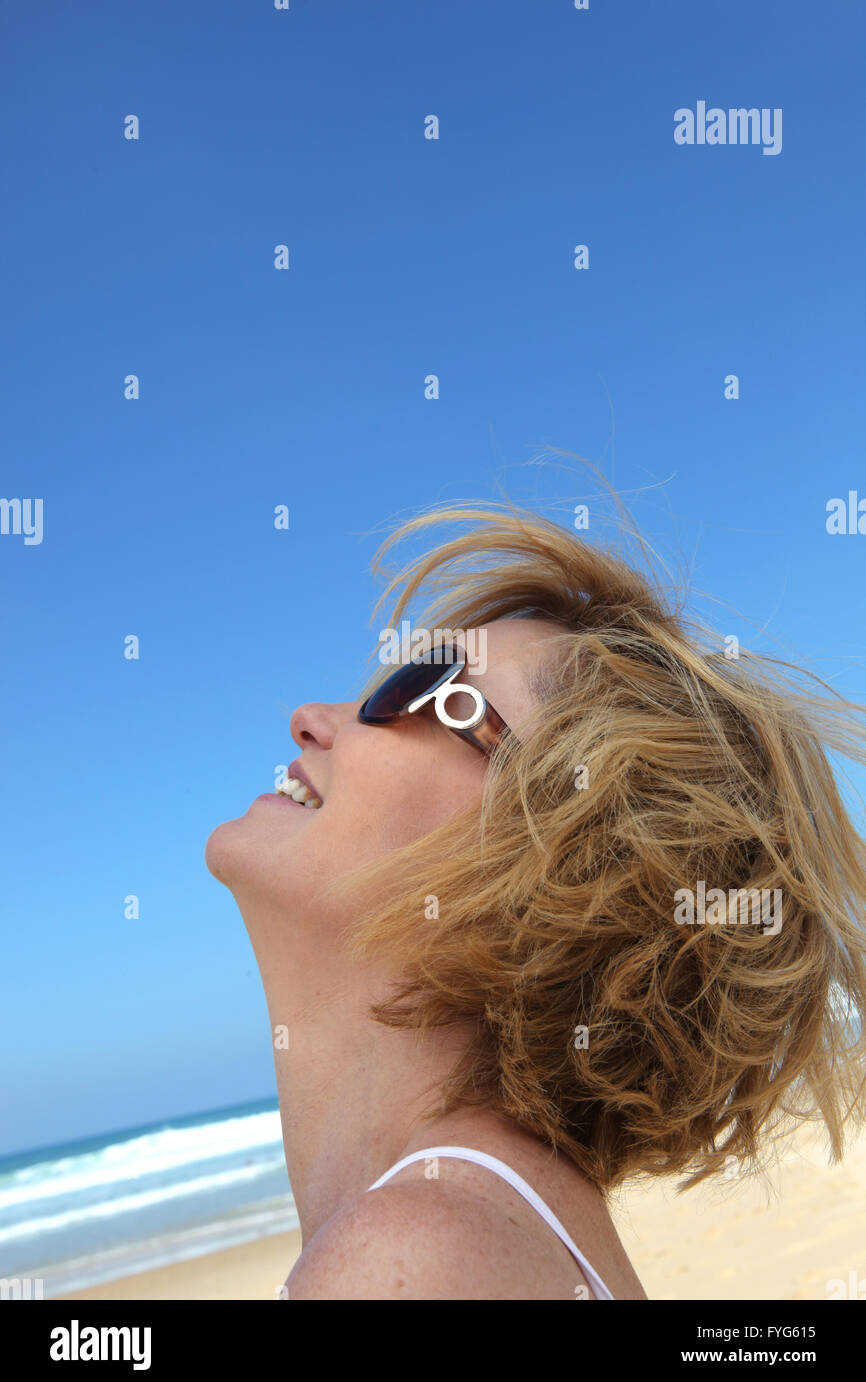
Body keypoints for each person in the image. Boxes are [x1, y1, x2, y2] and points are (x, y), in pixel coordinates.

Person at [206, 499, 866, 1300]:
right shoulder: (479, 1231)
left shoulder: (414, 1258)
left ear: (564, 861)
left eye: (416, 682)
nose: (310, 720)